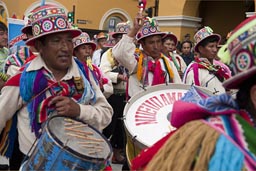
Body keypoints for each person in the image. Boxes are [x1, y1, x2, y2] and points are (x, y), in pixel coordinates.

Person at [131, 15, 256, 171]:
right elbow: (185, 94)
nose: (214, 49)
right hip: (148, 114)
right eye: (151, 42)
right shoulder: (138, 61)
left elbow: (176, 89)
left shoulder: (170, 63)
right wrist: (132, 32)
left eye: (215, 46)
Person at [0, 4, 113, 169]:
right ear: (39, 46)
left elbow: (106, 113)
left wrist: (80, 110)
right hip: (35, 163)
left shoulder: (85, 75)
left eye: (68, 40)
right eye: (56, 41)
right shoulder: (23, 80)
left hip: (81, 164)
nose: (65, 47)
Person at [112, 15, 182, 98]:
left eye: (158, 41)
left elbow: (178, 87)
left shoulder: (167, 63)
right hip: (140, 108)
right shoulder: (136, 61)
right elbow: (120, 53)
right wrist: (134, 30)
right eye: (151, 43)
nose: (156, 46)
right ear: (143, 44)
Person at [100, 21, 131, 165]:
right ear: (116, 38)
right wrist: (117, 76)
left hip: (128, 95)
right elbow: (103, 72)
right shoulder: (108, 54)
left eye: (125, 37)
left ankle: (118, 153)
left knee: (122, 127)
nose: (121, 40)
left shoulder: (133, 53)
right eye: (119, 37)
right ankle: (104, 152)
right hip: (114, 95)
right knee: (110, 124)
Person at [183, 26, 230, 95]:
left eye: (216, 46)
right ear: (201, 49)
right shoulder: (195, 72)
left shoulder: (220, 68)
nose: (215, 50)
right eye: (211, 46)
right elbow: (191, 98)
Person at [73, 32, 113, 98]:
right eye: (83, 48)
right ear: (76, 52)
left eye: (89, 48)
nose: (88, 51)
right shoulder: (72, 69)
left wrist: (102, 88)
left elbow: (109, 87)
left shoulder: (96, 69)